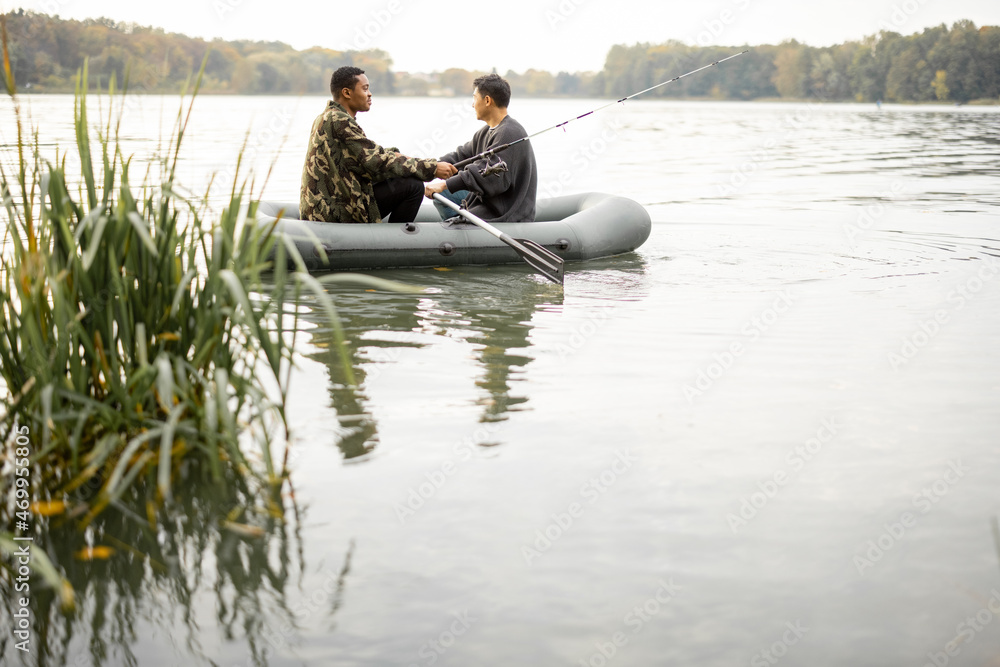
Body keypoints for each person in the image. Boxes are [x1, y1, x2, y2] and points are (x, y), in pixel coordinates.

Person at [301, 66, 456, 223]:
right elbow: (375, 163)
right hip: (335, 211)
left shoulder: (327, 117)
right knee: (414, 186)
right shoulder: (339, 121)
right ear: (347, 93)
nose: (369, 94)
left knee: (400, 175)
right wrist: (432, 168)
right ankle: (395, 242)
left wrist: (399, 156)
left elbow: (367, 156)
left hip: (326, 206)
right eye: (365, 89)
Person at [425, 74, 537, 223]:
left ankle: (458, 230)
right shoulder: (485, 132)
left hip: (506, 210)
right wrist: (424, 168)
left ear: (487, 100)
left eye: (474, 98)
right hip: (488, 200)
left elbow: (488, 173)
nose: (472, 104)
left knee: (445, 191)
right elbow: (460, 156)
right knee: (443, 197)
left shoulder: (510, 132)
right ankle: (457, 226)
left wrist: (445, 184)